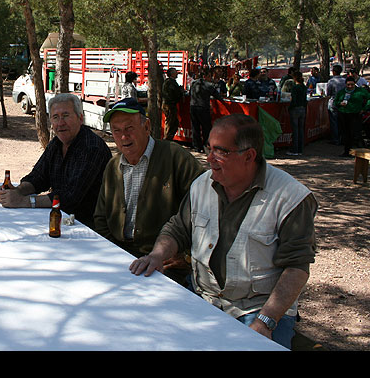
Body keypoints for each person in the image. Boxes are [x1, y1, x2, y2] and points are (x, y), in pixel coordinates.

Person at [129, 114, 317, 349]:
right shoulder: (202, 184)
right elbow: (178, 227)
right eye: (209, 148)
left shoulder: (291, 198)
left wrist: (265, 322)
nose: (209, 159)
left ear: (249, 156)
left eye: (221, 152)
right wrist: (157, 255)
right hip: (203, 298)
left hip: (258, 310)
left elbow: (297, 268)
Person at [93, 98, 203, 285]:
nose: (123, 137)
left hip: (164, 265)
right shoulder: (113, 166)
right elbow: (101, 217)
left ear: (147, 127)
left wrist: (186, 255)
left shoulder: (175, 157)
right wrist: (112, 252)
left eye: (129, 128)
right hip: (121, 257)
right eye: (116, 131)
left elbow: (204, 209)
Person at [0, 93, 112, 229]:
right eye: (55, 117)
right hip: (64, 220)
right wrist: (18, 190)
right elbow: (38, 177)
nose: (60, 123)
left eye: (66, 116)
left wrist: (25, 201)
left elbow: (70, 198)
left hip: (89, 228)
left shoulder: (91, 147)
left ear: (80, 118)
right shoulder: (56, 144)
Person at [334, 76, 370, 157]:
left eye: (352, 85)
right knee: (346, 133)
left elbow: (369, 99)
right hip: (344, 114)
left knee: (355, 132)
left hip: (355, 114)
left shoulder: (360, 91)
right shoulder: (342, 92)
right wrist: (340, 103)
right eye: (348, 85)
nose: (350, 86)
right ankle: (347, 151)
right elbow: (336, 102)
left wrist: (364, 108)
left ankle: (359, 151)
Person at [189, 68, 221, 153]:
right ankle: (207, 145)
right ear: (205, 76)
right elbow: (218, 96)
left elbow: (190, 93)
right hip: (203, 108)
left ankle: (197, 146)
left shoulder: (194, 83)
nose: (211, 78)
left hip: (193, 107)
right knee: (206, 128)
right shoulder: (209, 85)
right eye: (210, 76)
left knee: (195, 127)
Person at [287, 72, 307, 156]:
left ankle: (295, 150)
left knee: (295, 130)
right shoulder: (304, 87)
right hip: (302, 109)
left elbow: (293, 100)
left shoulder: (295, 88)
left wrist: (290, 107)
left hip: (295, 109)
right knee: (301, 129)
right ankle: (300, 149)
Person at [161, 68, 184, 140]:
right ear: (172, 74)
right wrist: (181, 91)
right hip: (170, 105)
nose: (177, 73)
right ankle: (167, 139)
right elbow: (176, 94)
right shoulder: (171, 83)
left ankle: (168, 138)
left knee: (173, 122)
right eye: (175, 72)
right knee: (171, 123)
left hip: (167, 104)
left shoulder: (167, 82)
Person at [326, 64, 347, 145]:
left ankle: (335, 139)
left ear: (334, 72)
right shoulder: (344, 80)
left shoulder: (331, 81)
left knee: (334, 122)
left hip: (333, 103)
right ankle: (342, 138)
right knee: (342, 122)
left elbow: (328, 93)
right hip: (343, 103)